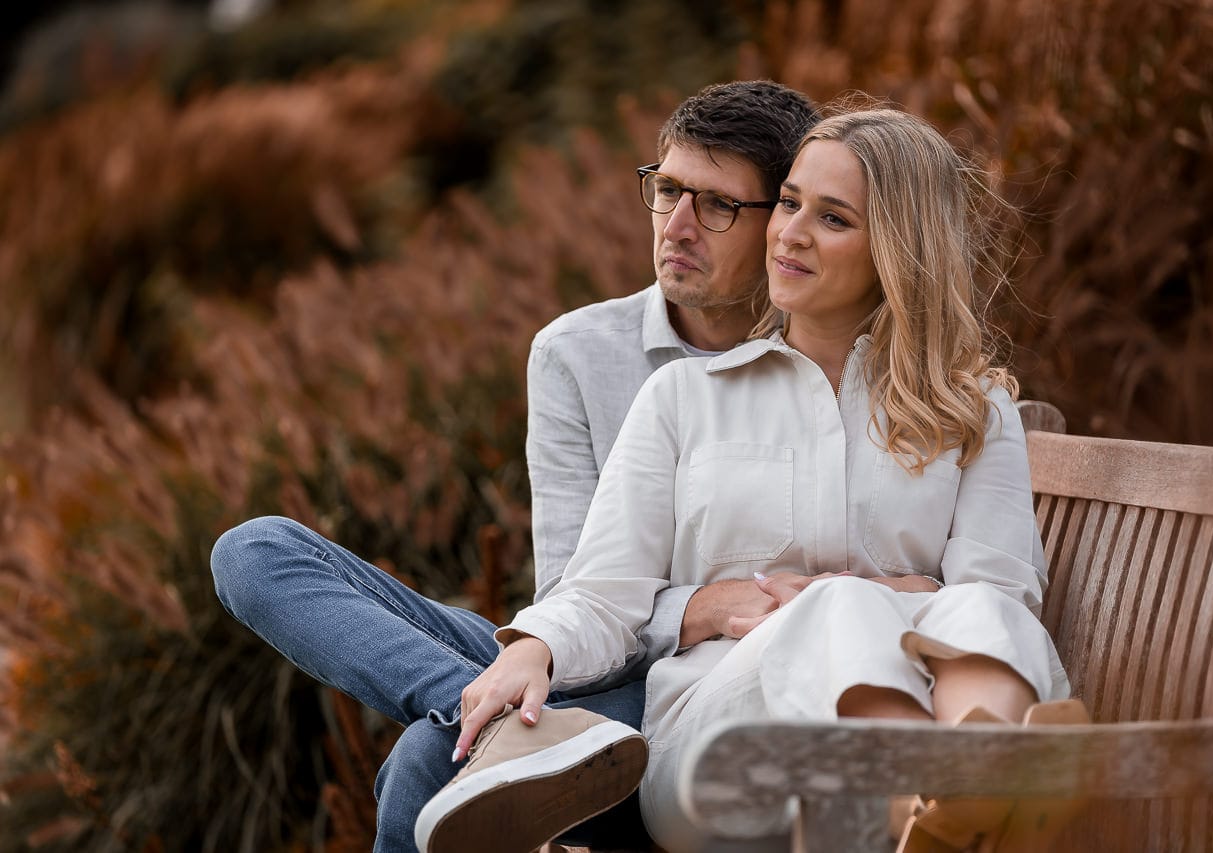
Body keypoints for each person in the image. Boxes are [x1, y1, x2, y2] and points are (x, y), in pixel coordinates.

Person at [435, 104, 1072, 853]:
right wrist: (532, 647)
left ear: (898, 250)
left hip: (896, 723)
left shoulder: (974, 408)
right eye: (791, 203)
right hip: (716, 744)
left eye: (833, 218)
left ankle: (963, 791)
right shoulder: (682, 399)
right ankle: (941, 792)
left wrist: (890, 597)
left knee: (988, 618)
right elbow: (604, 592)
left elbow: (999, 595)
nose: (790, 231)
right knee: (837, 606)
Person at [210, 80, 821, 853]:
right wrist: (698, 604)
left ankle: (500, 725)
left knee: (430, 759)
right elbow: (569, 591)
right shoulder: (577, 352)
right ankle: (498, 715)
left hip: (696, 693)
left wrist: (699, 618)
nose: (679, 226)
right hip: (574, 656)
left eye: (719, 204)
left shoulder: (817, 363)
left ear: (783, 220)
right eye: (666, 190)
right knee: (254, 550)